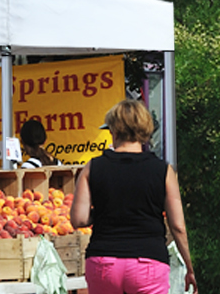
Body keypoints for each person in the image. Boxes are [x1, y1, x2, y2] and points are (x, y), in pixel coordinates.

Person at [70, 100, 196, 294]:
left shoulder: (93, 167)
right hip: (148, 264)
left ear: (116, 132)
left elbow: (78, 219)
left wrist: (105, 213)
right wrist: (189, 266)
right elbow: (178, 226)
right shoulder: (163, 171)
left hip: (103, 262)